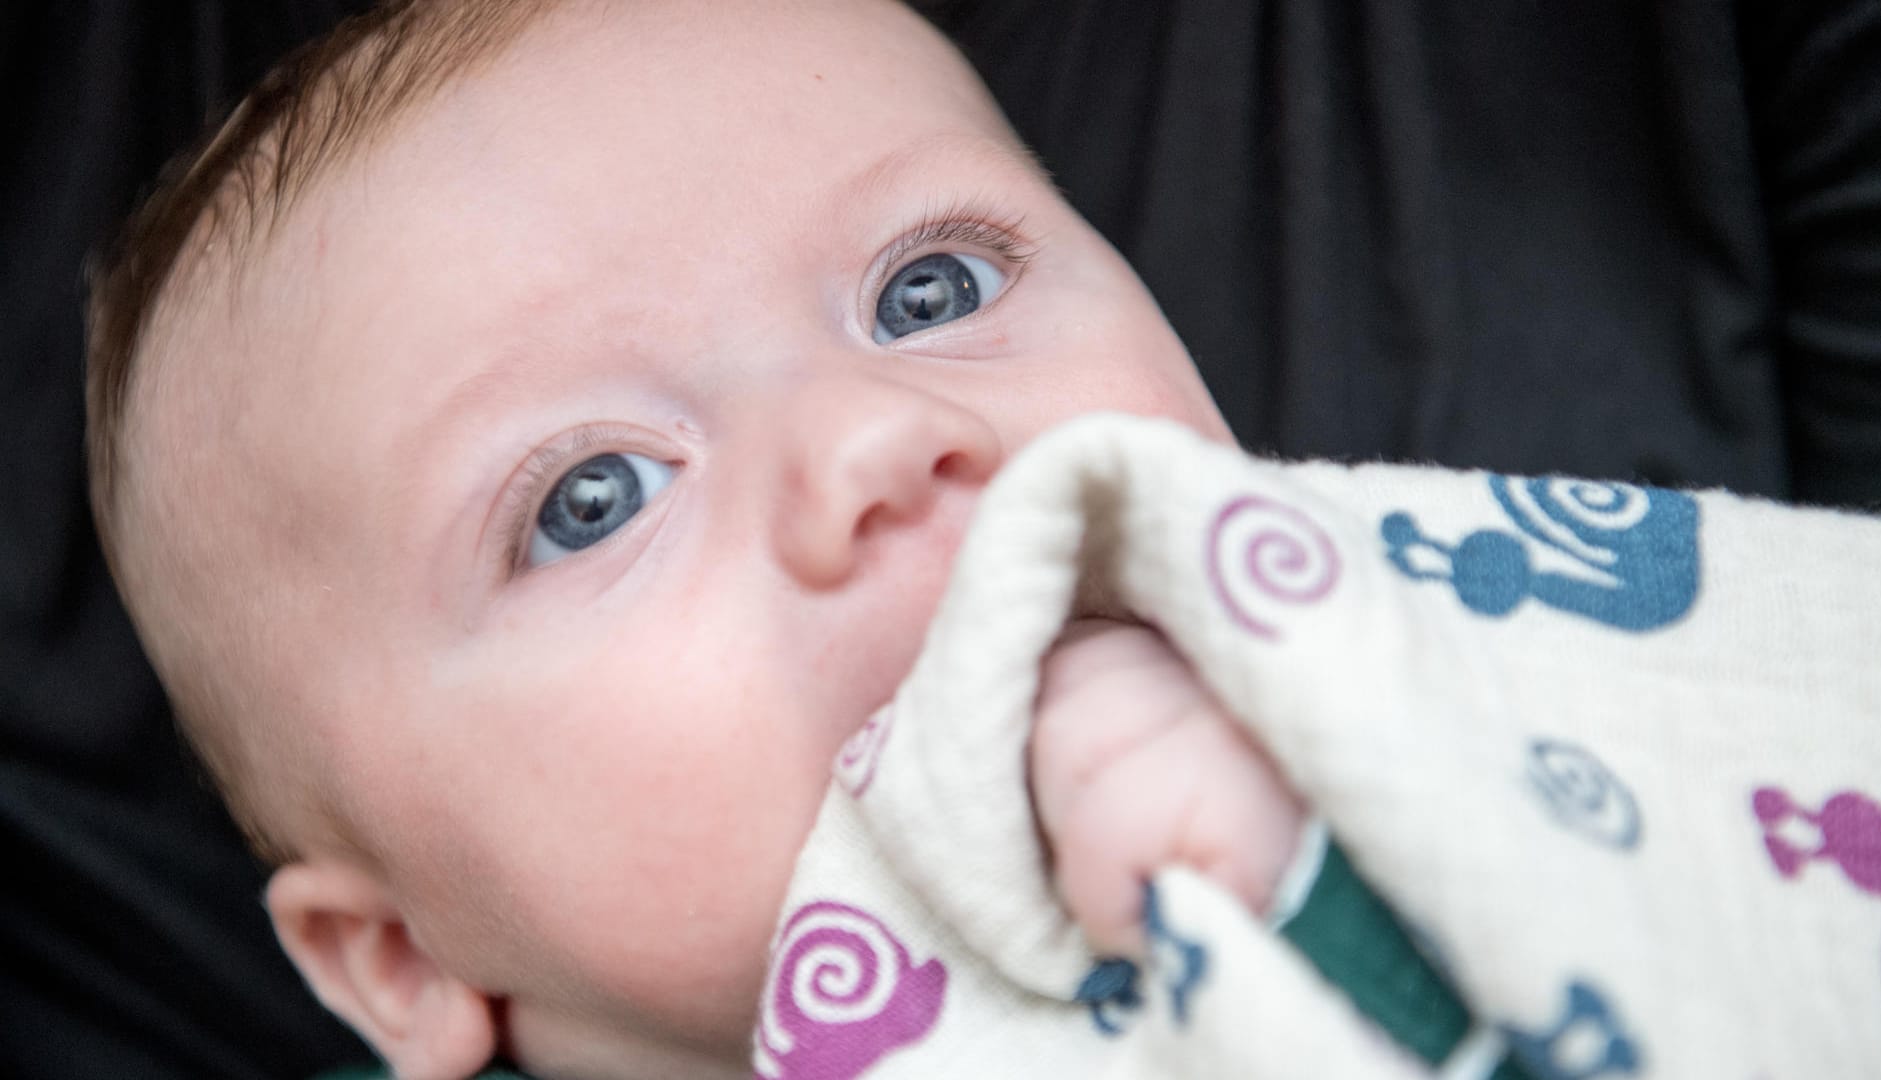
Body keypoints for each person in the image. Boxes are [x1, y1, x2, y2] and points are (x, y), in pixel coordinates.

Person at [84, 1, 1305, 1075]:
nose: (870, 437)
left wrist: (1324, 906)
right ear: (407, 959)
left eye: (932, 291)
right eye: (595, 498)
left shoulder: (1447, 649)